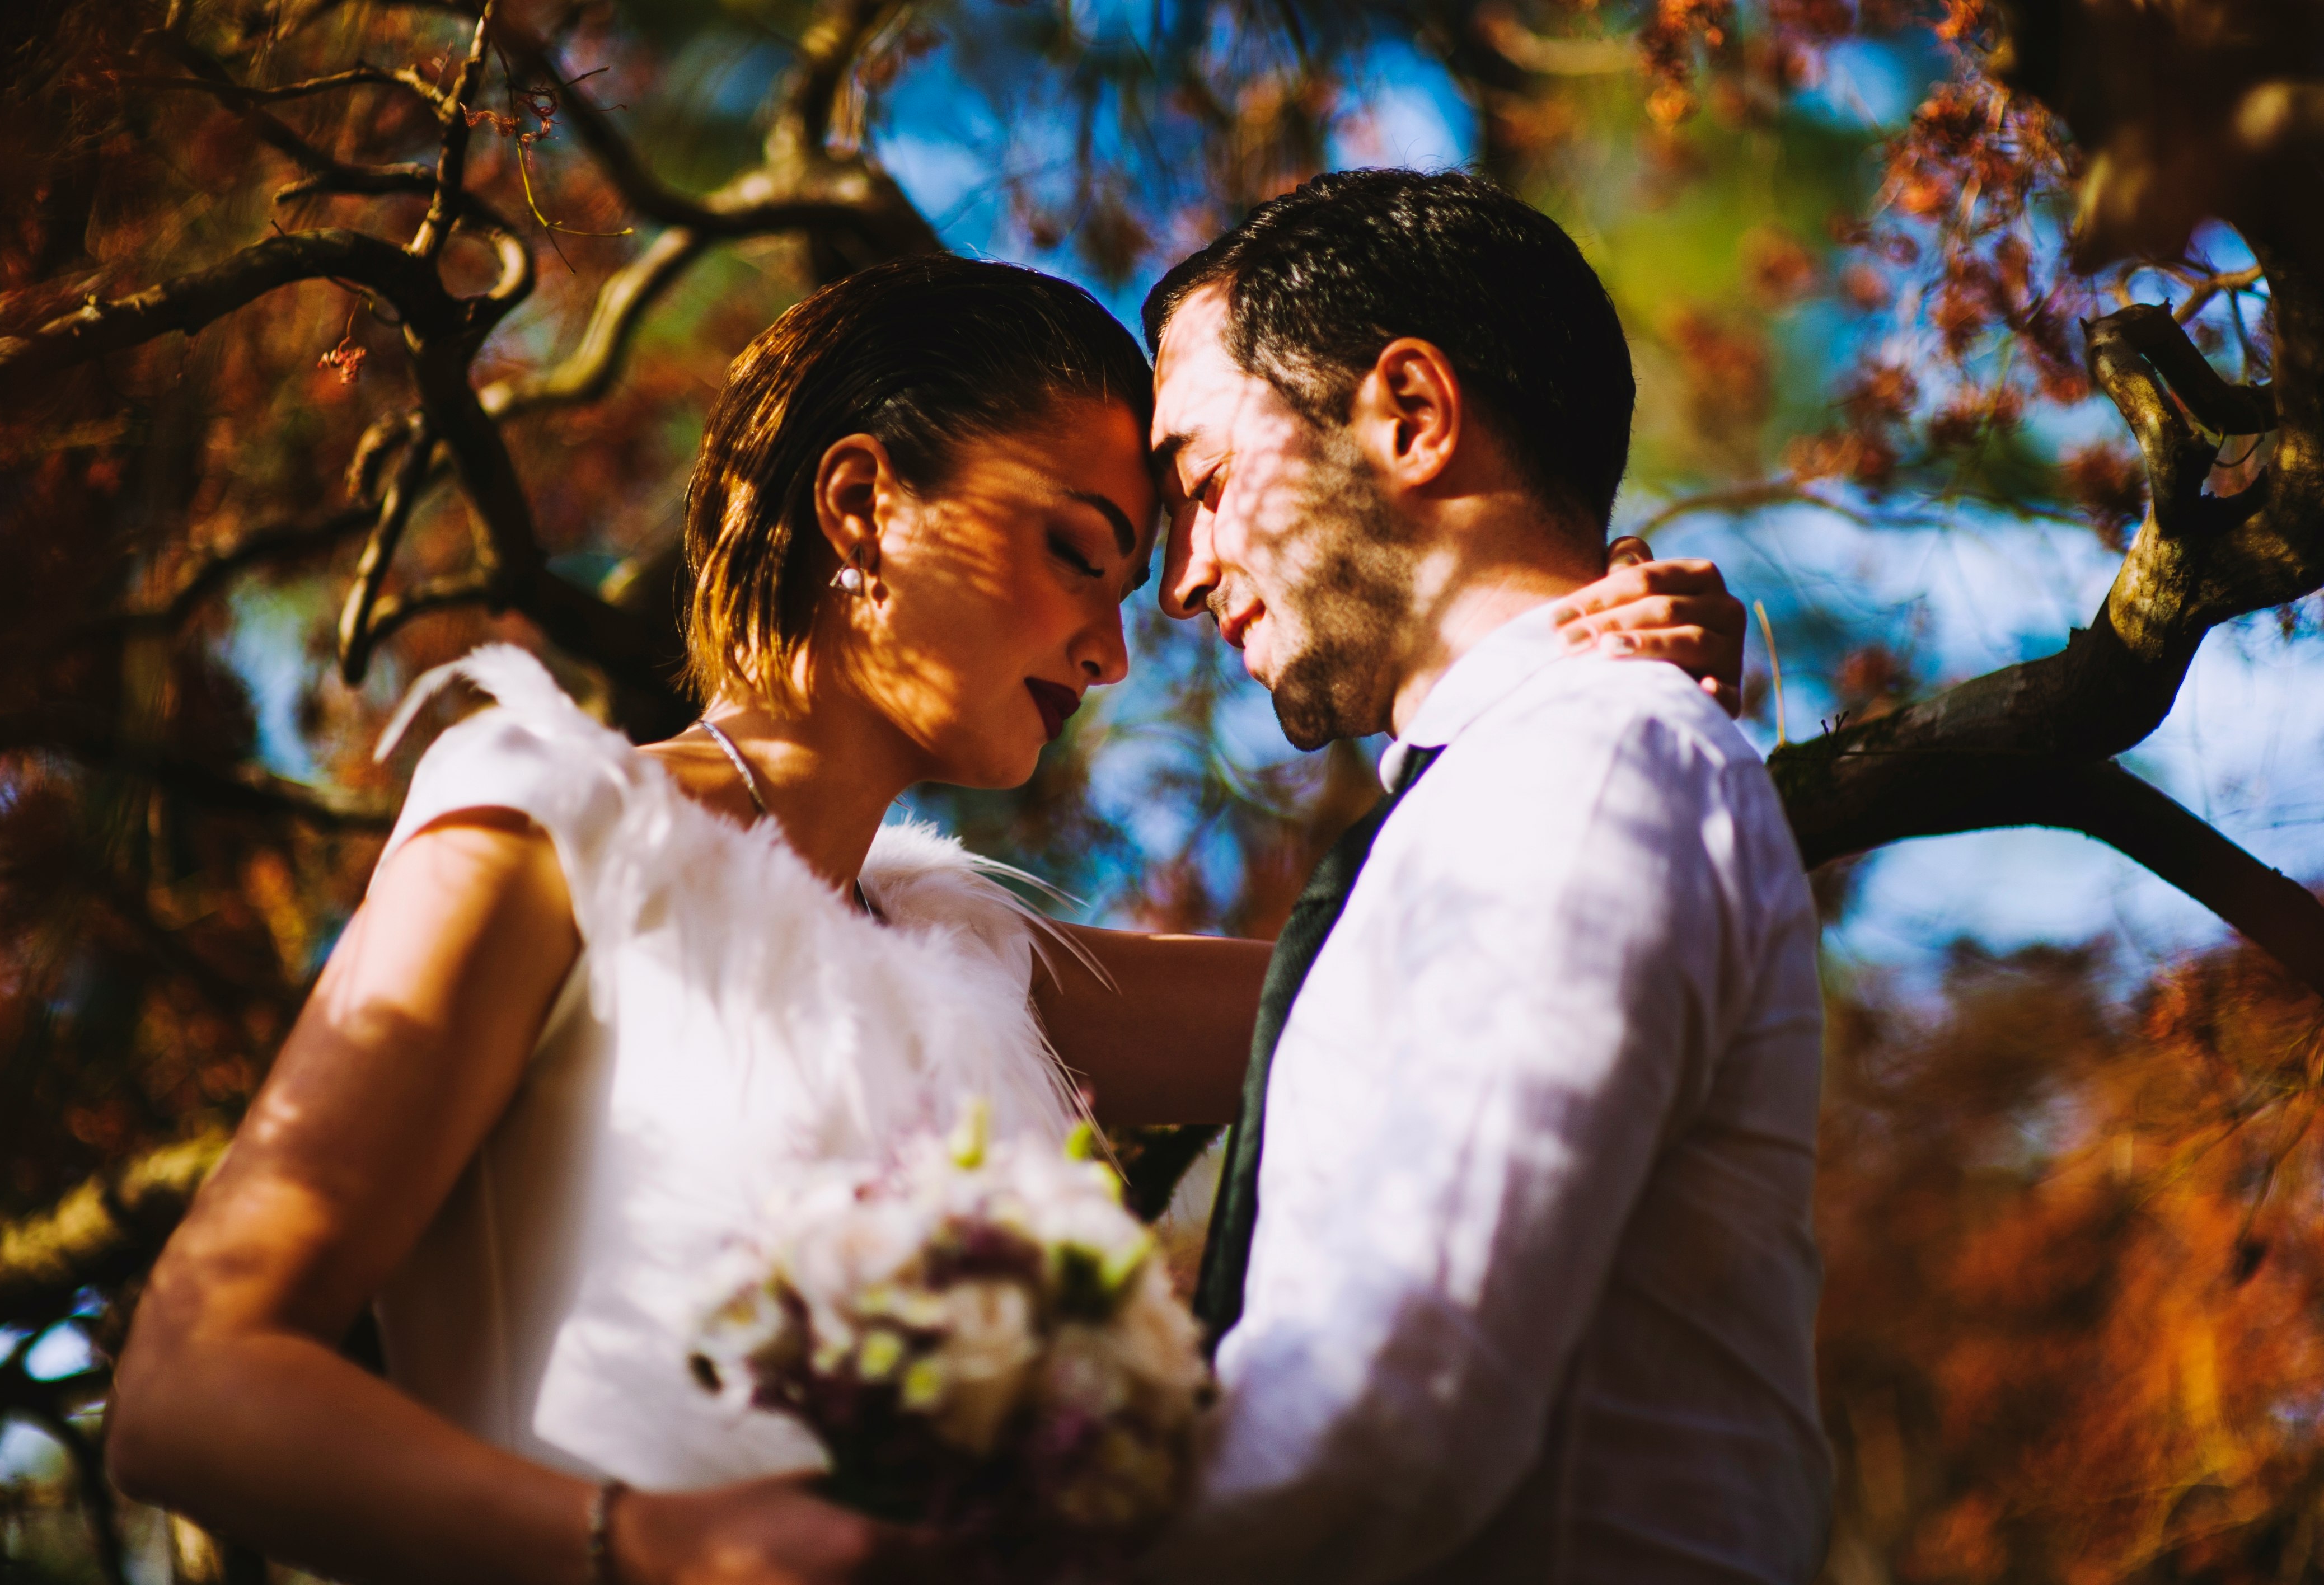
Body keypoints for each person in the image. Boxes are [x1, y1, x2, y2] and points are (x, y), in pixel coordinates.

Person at [104, 252, 1750, 1585]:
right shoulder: (548, 826)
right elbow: (191, 1390)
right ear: (861, 504)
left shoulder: (979, 950)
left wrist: (1570, 677)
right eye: (1078, 553)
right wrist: (649, 1547)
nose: (1114, 651)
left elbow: (1448, 947)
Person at [1137, 169, 1833, 1583]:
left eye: (1202, 485)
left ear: (1408, 414)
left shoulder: (1591, 765)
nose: (1181, 577)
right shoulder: (1533, 777)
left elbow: (1395, 1405)